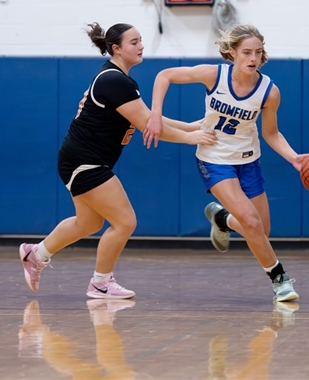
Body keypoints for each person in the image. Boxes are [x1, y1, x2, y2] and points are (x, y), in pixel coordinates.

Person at [18, 22, 216, 300]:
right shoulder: (115, 80)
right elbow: (148, 124)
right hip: (85, 161)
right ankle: (100, 283)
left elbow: (149, 117)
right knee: (125, 222)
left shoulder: (116, 79)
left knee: (87, 223)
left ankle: (35, 254)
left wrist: (190, 126)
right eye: (134, 42)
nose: (141, 46)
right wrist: (191, 137)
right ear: (116, 48)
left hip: (79, 160)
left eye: (141, 40)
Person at [143, 23, 307, 302]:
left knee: (261, 230)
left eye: (258, 52)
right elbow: (164, 75)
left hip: (248, 160)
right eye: (247, 52)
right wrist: (156, 114)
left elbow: (271, 133)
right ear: (232, 52)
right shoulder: (214, 75)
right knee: (252, 224)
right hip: (214, 158)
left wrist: (294, 158)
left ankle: (222, 219)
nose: (253, 58)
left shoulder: (269, 92)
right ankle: (280, 280)